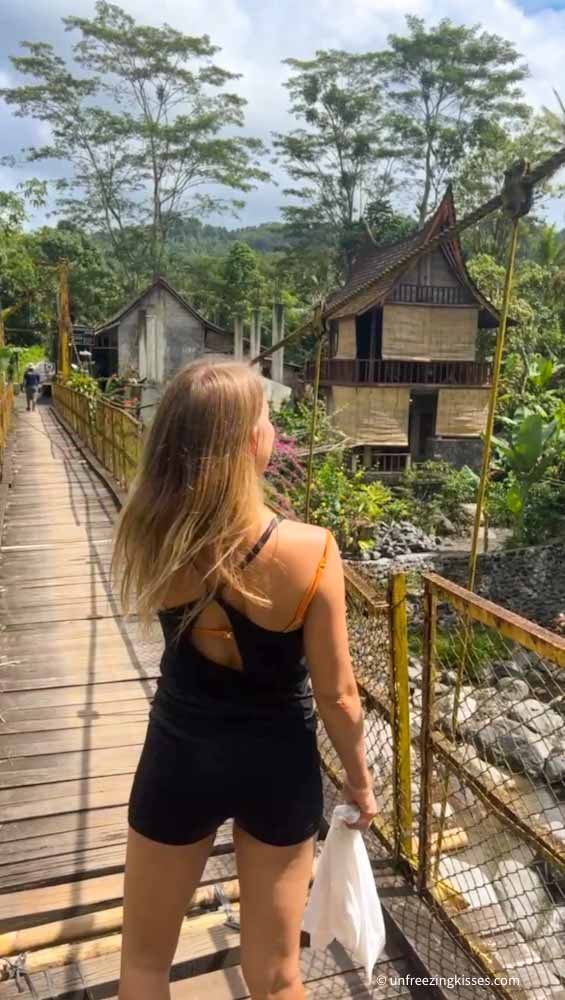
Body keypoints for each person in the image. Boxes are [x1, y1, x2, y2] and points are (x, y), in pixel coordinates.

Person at [111, 357, 378, 1000]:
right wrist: (361, 783)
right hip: (277, 765)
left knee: (145, 963)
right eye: (265, 419)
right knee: (278, 972)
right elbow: (338, 696)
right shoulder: (312, 550)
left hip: (179, 752)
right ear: (251, 442)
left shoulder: (150, 532)